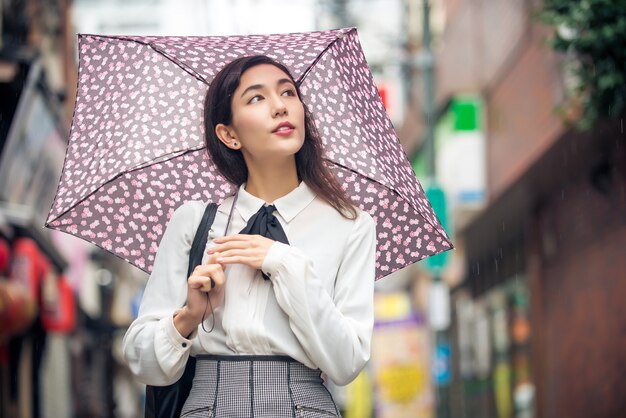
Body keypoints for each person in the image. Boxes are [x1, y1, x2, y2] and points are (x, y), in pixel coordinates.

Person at [122, 55, 376, 418]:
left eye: (288, 93)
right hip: (209, 405)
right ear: (229, 134)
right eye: (257, 98)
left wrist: (284, 264)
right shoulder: (195, 223)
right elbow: (142, 360)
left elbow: (347, 362)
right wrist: (189, 316)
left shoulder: (350, 225)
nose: (279, 107)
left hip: (304, 406)